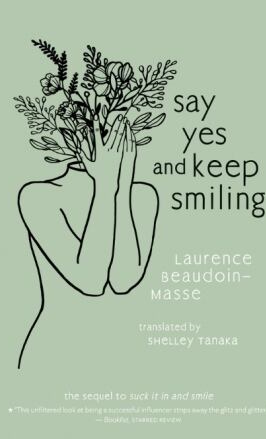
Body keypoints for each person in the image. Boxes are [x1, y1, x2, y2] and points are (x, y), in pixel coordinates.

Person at [17, 115, 159, 369]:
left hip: (128, 357)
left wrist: (122, 186)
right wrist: (104, 186)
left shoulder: (143, 195)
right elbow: (91, 281)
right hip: (56, 353)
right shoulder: (37, 196)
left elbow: (123, 280)